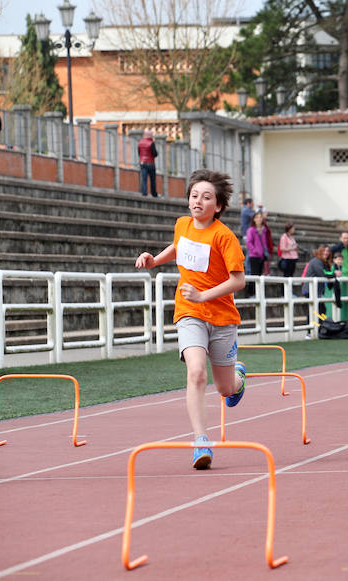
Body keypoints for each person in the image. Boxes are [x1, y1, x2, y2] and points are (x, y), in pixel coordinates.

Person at [134, 169, 247, 470]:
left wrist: (203, 295)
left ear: (218, 205)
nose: (198, 201)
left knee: (225, 389)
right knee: (196, 372)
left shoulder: (224, 237)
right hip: (189, 312)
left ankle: (238, 379)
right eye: (194, 195)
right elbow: (178, 246)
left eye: (206, 197)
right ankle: (200, 442)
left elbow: (238, 281)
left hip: (222, 317)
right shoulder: (182, 225)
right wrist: (155, 260)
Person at [245, 212, 272, 296]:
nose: (259, 219)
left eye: (260, 217)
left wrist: (265, 252)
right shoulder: (251, 230)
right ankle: (251, 293)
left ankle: (257, 294)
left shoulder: (264, 230)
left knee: (260, 275)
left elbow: (265, 242)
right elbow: (249, 242)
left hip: (262, 256)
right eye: (257, 217)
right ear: (254, 219)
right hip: (254, 256)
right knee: (254, 275)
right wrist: (255, 251)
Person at [137, 130, 158, 197]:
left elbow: (139, 153)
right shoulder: (151, 143)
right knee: (152, 179)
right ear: (150, 136)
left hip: (142, 163)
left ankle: (144, 193)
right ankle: (154, 193)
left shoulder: (140, 143)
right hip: (151, 163)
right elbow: (154, 153)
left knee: (144, 179)